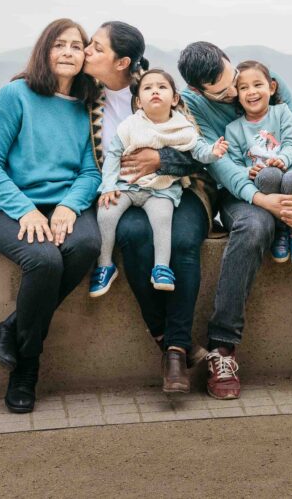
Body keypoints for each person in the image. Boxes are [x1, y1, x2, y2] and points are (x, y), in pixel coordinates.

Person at [163, 42, 292, 399]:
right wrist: (263, 200)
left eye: (233, 77)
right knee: (254, 228)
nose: (238, 91)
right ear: (198, 90)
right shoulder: (195, 107)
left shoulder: (266, 80)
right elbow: (221, 165)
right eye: (224, 91)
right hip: (243, 190)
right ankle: (223, 347)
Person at [80, 22, 217, 393]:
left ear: (122, 61)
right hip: (121, 192)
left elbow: (199, 156)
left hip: (179, 189)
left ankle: (174, 352)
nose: (85, 51)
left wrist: (161, 160)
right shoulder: (85, 98)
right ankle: (167, 338)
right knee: (133, 235)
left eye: (95, 47)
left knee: (184, 242)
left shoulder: (156, 87)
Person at [0, 18, 102, 414]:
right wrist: (25, 210)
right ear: (44, 51)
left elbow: (90, 171)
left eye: (76, 45)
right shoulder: (14, 95)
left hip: (60, 205)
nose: (68, 52)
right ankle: (26, 368)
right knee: (45, 259)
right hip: (5, 207)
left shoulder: (86, 105)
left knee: (86, 244)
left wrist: (68, 206)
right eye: (58, 45)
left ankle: (12, 327)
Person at [93, 68, 226, 298]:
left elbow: (199, 152)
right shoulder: (130, 125)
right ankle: (104, 265)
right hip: (126, 186)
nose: (155, 91)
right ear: (138, 101)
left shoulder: (182, 127)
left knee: (163, 218)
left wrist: (214, 152)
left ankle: (161, 268)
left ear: (175, 98)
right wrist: (109, 185)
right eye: (148, 88)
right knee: (106, 212)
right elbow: (113, 155)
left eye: (162, 87)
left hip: (161, 189)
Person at [223, 60, 292, 271]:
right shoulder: (233, 129)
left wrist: (282, 159)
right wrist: (249, 170)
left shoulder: (281, 112)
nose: (251, 92)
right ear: (236, 94)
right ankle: (279, 230)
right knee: (268, 175)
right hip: (263, 182)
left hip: (288, 175)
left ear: (271, 87)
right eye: (243, 88)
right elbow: (235, 163)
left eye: (258, 85)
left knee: (291, 177)